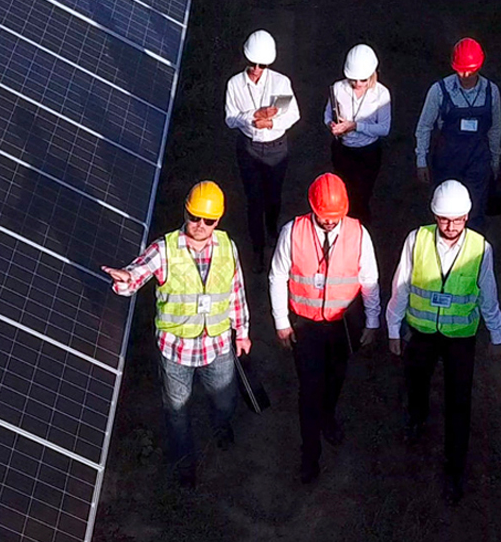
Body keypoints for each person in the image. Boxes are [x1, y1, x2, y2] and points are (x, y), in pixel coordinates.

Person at [103, 181, 251, 487]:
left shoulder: (228, 247)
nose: (199, 225)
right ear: (185, 211)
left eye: (207, 220)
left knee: (224, 401)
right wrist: (125, 279)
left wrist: (243, 333)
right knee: (177, 411)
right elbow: (137, 274)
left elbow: (236, 292)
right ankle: (184, 463)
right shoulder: (164, 249)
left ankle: (222, 430)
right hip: (176, 352)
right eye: (194, 217)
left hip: (218, 345)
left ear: (218, 220)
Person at [385, 180, 501, 504]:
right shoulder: (416, 239)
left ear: (467, 216)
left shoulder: (481, 249)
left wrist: (496, 332)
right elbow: (401, 286)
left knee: (459, 403)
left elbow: (488, 293)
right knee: (416, 382)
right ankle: (417, 416)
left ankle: (455, 470)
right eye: (443, 219)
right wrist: (393, 328)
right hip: (421, 332)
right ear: (434, 215)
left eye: (457, 219)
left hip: (460, 339)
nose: (450, 226)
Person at [269, 173, 380, 484]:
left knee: (335, 379)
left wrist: (372, 321)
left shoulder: (359, 234)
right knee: (309, 391)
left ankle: (328, 417)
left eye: (336, 217)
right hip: (305, 327)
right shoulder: (293, 232)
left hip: (342, 325)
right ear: (312, 209)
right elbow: (278, 276)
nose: (330, 222)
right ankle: (310, 455)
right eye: (324, 217)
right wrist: (281, 321)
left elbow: (369, 280)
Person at [224, 29, 300, 268]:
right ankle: (258, 248)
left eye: (262, 65)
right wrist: (252, 117)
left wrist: (271, 123)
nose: (257, 70)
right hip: (249, 148)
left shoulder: (280, 83)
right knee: (254, 200)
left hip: (277, 148)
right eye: (253, 64)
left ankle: (272, 230)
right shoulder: (235, 84)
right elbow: (230, 118)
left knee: (273, 197)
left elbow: (292, 114)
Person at [414, 37, 501, 231]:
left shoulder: (491, 92)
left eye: (470, 70)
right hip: (447, 162)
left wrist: (495, 162)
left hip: (478, 162)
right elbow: (424, 126)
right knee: (445, 210)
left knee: (475, 211)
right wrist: (421, 159)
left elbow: (495, 129)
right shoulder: (439, 91)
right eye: (460, 70)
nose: (464, 75)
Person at [324, 43, 391, 221]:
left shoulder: (382, 94)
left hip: (368, 153)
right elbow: (327, 114)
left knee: (362, 197)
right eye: (353, 80)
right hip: (343, 151)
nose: (357, 84)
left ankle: (361, 232)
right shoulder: (338, 88)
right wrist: (332, 125)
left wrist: (355, 126)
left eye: (363, 80)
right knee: (343, 194)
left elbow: (384, 128)